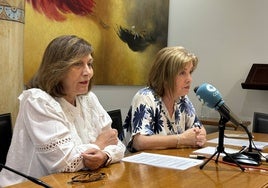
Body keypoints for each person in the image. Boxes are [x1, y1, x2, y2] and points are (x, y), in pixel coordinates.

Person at [0, 35, 126, 186]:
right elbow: (64, 163)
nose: (88, 72)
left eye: (89, 64)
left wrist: (105, 155)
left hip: (77, 182)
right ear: (57, 68)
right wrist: (99, 144)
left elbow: (117, 143)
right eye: (78, 64)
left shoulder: (88, 98)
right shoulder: (37, 100)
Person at [123, 46, 206, 152]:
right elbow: (139, 142)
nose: (189, 79)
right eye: (182, 73)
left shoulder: (183, 99)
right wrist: (181, 139)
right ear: (165, 76)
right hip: (138, 166)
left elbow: (199, 128)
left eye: (190, 72)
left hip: (170, 162)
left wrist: (199, 136)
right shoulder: (145, 97)